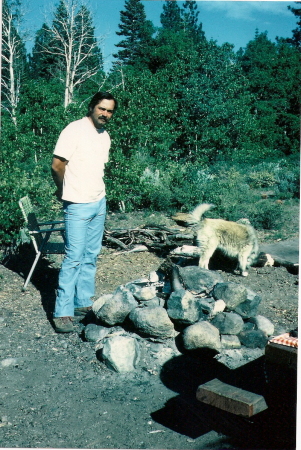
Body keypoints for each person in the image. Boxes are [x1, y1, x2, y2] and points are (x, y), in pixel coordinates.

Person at [51, 91, 118, 333]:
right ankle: (63, 312)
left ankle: (83, 303)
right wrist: (62, 190)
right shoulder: (74, 130)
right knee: (73, 258)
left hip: (98, 201)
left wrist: (100, 198)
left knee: (91, 255)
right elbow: (57, 165)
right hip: (77, 204)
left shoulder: (105, 136)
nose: (105, 114)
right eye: (102, 108)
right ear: (92, 107)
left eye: (110, 111)